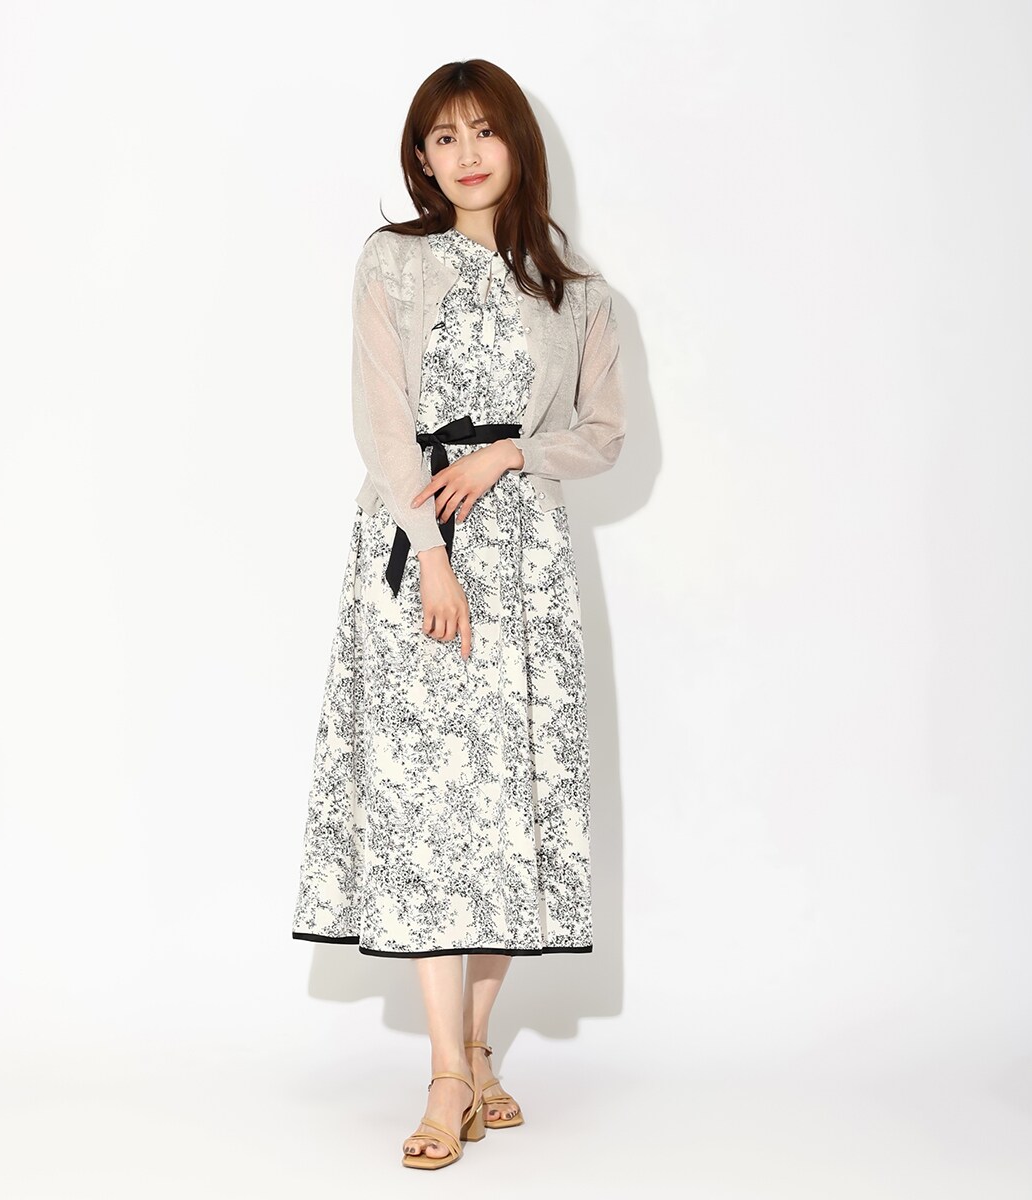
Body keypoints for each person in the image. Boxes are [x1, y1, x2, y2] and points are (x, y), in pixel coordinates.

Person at [290, 58, 626, 1170]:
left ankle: (478, 1053)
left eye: (485, 131)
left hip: (528, 562)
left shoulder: (581, 295)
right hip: (417, 554)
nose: (467, 153)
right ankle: (445, 1076)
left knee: (511, 803)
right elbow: (381, 418)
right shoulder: (393, 261)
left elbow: (603, 436)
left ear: (519, 142)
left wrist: (510, 453)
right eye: (443, 137)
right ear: (421, 158)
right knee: (433, 814)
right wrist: (431, 555)